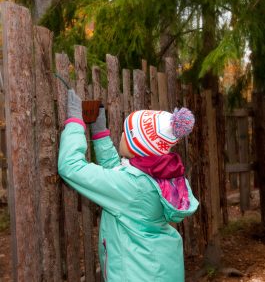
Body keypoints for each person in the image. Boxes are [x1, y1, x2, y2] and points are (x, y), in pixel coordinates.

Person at [58, 89, 199, 281]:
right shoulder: (160, 175)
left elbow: (71, 166)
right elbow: (119, 174)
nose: (122, 135)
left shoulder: (132, 186)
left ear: (137, 146)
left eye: (126, 133)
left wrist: (75, 123)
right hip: (158, 269)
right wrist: (100, 134)